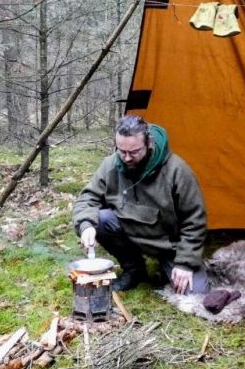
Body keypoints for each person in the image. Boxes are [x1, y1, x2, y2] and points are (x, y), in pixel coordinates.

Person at [72, 115, 209, 294]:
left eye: (134, 152)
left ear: (148, 144)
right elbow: (87, 198)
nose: (127, 158)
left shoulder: (177, 171)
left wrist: (185, 263)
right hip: (129, 234)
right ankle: (134, 269)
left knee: (195, 294)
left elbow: (195, 220)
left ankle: (172, 266)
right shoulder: (111, 164)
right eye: (122, 151)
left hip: (168, 246)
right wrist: (85, 225)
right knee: (100, 219)